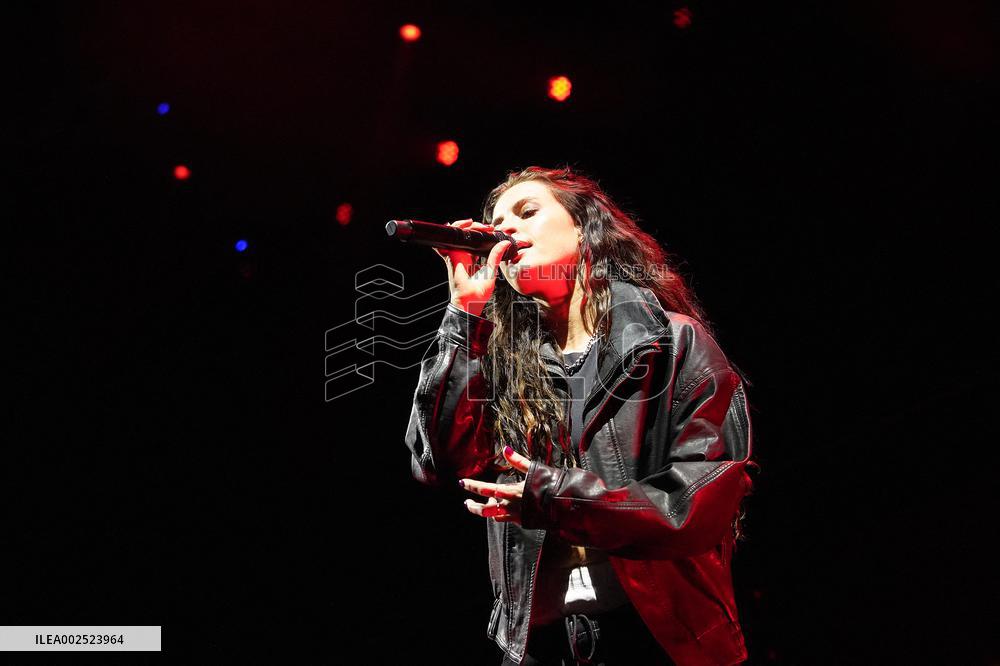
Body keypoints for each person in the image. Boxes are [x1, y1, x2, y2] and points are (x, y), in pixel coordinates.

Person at [404, 166, 756, 665]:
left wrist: (558, 499)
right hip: (544, 645)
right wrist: (465, 315)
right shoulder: (501, 364)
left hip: (662, 637)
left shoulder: (669, 344)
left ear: (585, 228)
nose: (506, 230)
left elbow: (702, 500)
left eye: (527, 213)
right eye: (497, 221)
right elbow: (438, 463)